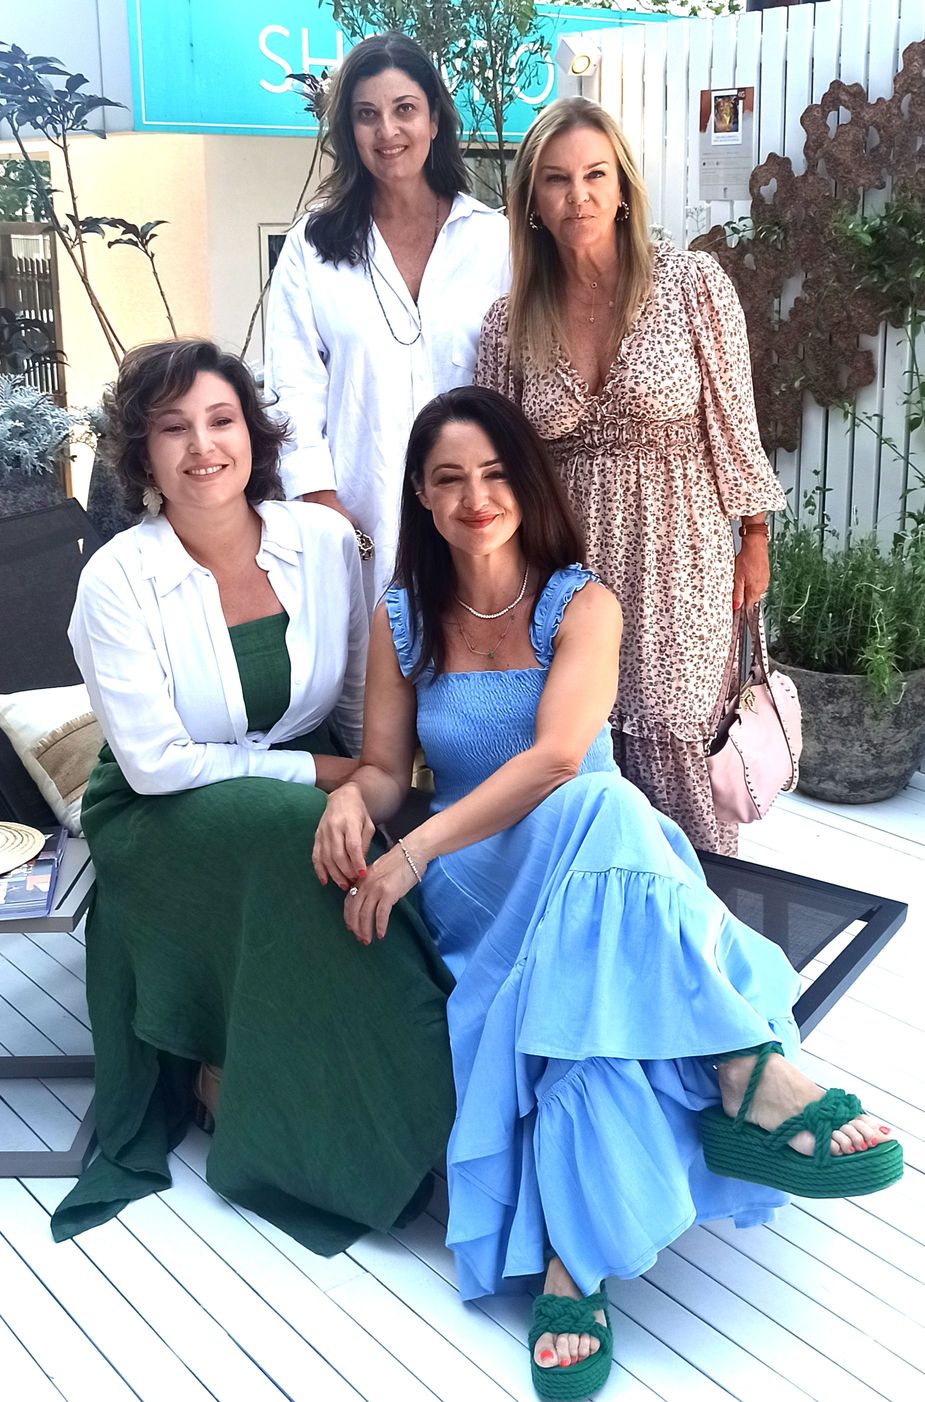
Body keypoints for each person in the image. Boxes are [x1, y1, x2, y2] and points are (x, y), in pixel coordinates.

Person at [312, 386, 902, 1400]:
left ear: (526, 484)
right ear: (420, 494)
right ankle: (738, 1066)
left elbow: (554, 759)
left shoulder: (580, 602)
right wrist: (349, 804)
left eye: (494, 473)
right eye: (448, 479)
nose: (474, 497)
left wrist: (410, 853)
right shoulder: (402, 615)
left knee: (599, 829)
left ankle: (567, 1263)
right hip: (480, 880)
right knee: (611, 809)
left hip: (600, 867)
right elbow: (381, 769)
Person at [51, 339, 454, 1252]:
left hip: (309, 780)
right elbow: (156, 763)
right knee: (301, 831)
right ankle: (385, 1122)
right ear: (142, 452)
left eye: (221, 420)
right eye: (173, 428)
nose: (203, 446)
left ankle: (408, 1076)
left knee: (396, 843)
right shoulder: (116, 578)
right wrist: (321, 779)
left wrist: (369, 784)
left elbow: (354, 703)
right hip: (159, 810)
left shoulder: (322, 541)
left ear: (253, 434)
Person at [476, 97, 786, 855]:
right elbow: (498, 464)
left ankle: (700, 907)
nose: (577, 196)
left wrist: (754, 536)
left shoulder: (690, 285)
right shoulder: (508, 322)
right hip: (566, 567)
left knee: (680, 747)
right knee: (579, 749)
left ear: (622, 189)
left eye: (594, 175)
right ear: (532, 201)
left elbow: (734, 422)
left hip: (681, 559)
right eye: (555, 180)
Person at [264, 31, 511, 614]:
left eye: (405, 109)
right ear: (348, 131)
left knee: (472, 656)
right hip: (361, 515)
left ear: (434, 120)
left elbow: (518, 379)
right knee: (367, 662)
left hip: (477, 513)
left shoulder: (493, 241)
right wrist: (320, 499)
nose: (388, 131)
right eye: (366, 115)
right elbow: (293, 387)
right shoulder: (312, 247)